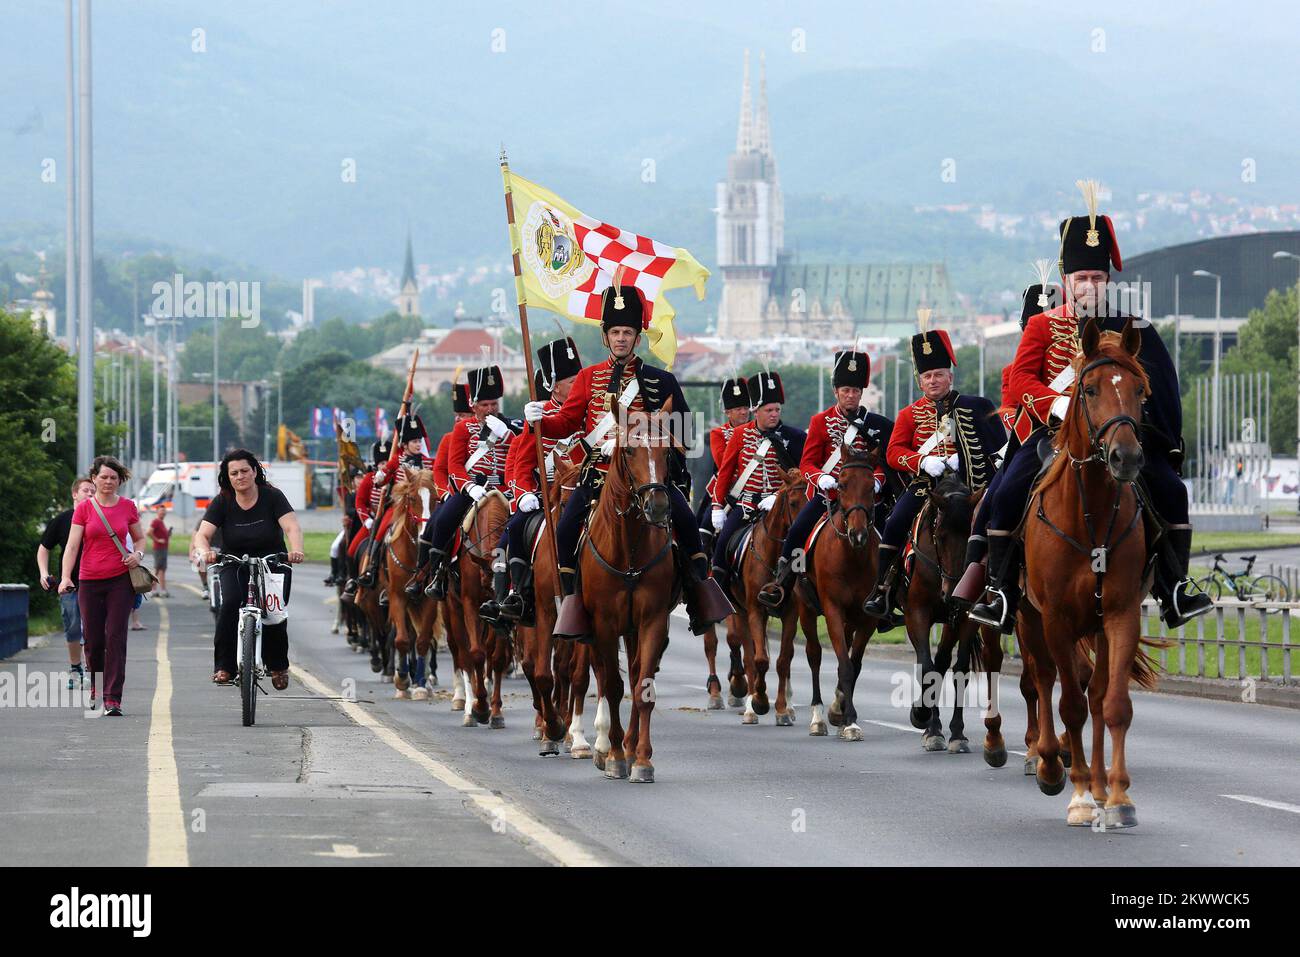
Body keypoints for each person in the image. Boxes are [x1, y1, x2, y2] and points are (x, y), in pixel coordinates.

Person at [969, 182, 1213, 631]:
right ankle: (1002, 592)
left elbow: (1161, 388)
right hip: (1053, 432)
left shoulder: (1132, 327)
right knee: (1004, 495)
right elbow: (1022, 378)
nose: (1089, 286)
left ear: (1108, 281)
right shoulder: (1043, 326)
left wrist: (1155, 438)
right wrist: (1056, 405)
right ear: (1067, 282)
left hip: (1117, 435)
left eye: (1097, 279)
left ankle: (1174, 588)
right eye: (1081, 279)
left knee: (1172, 491)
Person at [523, 272, 733, 636]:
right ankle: (573, 601)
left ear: (638, 337)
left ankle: (699, 593)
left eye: (628, 333)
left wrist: (658, 448)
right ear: (606, 336)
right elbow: (567, 423)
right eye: (616, 333)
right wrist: (537, 420)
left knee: (685, 521)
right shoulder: (588, 379)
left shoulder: (661, 381)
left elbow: (684, 434)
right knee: (567, 527)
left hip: (647, 476)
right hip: (600, 475)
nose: (622, 339)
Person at [861, 319, 1002, 621]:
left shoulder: (975, 406)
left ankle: (996, 589)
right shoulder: (908, 414)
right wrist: (922, 461)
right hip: (926, 486)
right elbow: (894, 452)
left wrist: (962, 461)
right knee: (895, 522)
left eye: (939, 374)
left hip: (967, 487)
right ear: (920, 381)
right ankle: (883, 589)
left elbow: (996, 449)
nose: (934, 380)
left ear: (950, 377)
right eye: (928, 376)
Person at [757, 349, 887, 611]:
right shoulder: (821, 422)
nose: (851, 395)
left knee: (889, 535)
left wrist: (877, 482)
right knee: (797, 532)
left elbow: (883, 463)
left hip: (864, 497)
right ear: (836, 391)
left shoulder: (877, 424)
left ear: (862, 393)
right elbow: (807, 463)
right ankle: (782, 582)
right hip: (828, 495)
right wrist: (821, 478)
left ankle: (887, 592)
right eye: (846, 390)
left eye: (855, 391)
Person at [484, 336, 583, 623]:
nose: (577, 384)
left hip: (586, 490)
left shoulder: (589, 411)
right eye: (571, 380)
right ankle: (520, 595)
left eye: (579, 378)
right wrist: (525, 493)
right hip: (545, 496)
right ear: (554, 384)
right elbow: (522, 464)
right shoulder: (540, 415)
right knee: (515, 529)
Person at [191, 449, 305, 690]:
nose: (240, 476)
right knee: (230, 604)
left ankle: (277, 665)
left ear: (255, 471)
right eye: (234, 473)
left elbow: (292, 527)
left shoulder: (272, 496)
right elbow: (203, 535)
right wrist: (205, 551)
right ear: (227, 477)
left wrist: (296, 550)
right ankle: (225, 666)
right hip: (234, 561)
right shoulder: (223, 500)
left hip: (273, 561)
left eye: (245, 471)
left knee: (273, 613)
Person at [57, 456, 145, 717]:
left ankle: (113, 698)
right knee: (94, 641)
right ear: (93, 479)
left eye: (113, 478)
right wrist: (65, 577)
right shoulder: (84, 509)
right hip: (89, 580)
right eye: (103, 477)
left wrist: (137, 556)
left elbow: (140, 539)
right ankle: (96, 686)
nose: (108, 482)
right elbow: (72, 546)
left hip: (121, 580)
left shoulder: (128, 506)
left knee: (116, 636)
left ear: (120, 481)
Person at [424, 365, 518, 600]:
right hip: (473, 490)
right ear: (473, 406)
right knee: (444, 520)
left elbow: (520, 456)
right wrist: (469, 486)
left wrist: (508, 435)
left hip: (506, 490)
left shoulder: (512, 426)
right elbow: (454, 465)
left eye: (494, 404)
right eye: (484, 405)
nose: (490, 409)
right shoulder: (464, 428)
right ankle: (437, 574)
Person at [709, 371, 806, 595]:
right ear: (756, 410)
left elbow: (800, 473)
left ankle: (808, 594)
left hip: (781, 504)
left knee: (804, 544)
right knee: (722, 545)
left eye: (777, 410)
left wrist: (777, 495)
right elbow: (725, 472)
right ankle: (717, 598)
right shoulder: (740, 434)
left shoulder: (794, 436)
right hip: (746, 505)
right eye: (768, 410)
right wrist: (716, 505)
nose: (774, 415)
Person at [37, 477, 95, 689]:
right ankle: (75, 667)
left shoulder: (98, 518)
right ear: (74, 494)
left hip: (96, 582)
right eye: (86, 490)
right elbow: (44, 547)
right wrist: (44, 573)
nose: (90, 494)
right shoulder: (62, 520)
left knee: (94, 627)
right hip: (69, 584)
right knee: (72, 626)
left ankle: (92, 668)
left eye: (92, 491)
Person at [148, 505, 171, 598]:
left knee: (162, 569)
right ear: (157, 512)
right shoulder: (156, 521)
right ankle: (153, 590)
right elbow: (149, 532)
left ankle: (162, 590)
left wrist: (167, 534)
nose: (163, 512)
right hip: (159, 549)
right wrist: (157, 540)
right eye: (161, 511)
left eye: (164, 511)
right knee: (157, 569)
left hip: (163, 549)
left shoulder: (161, 522)